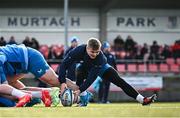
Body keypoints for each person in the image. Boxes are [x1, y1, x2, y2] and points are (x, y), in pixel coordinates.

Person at [58, 37, 157, 106]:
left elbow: (91, 78)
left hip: (101, 68)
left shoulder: (100, 58)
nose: (95, 54)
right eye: (92, 52)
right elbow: (64, 65)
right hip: (84, 66)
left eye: (97, 52)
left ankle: (142, 99)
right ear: (87, 48)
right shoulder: (78, 51)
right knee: (79, 70)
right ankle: (83, 100)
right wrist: (62, 82)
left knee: (120, 81)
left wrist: (79, 90)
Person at [0, 44, 78, 107]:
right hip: (20, 63)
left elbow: (1, 58)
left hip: (29, 57)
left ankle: (82, 91)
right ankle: (42, 95)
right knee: (12, 88)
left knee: (54, 81)